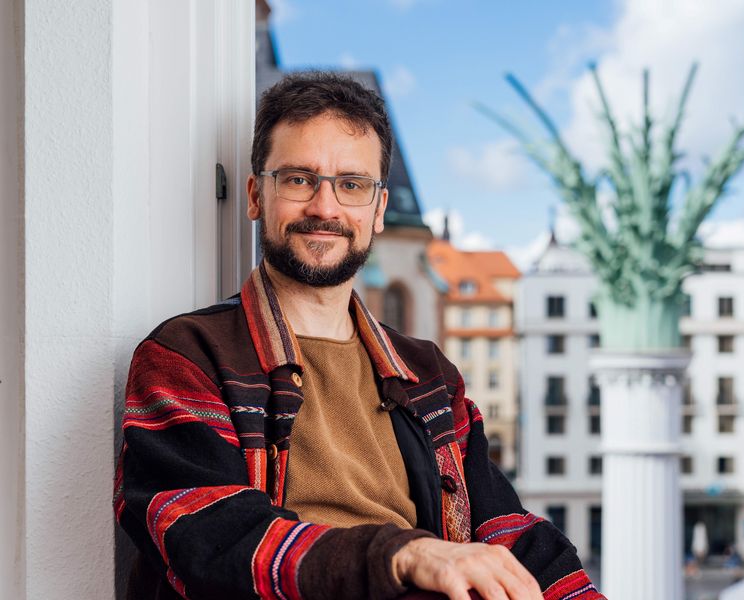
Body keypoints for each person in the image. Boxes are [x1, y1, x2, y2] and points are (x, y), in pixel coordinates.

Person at [114, 71, 601, 600]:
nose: (325, 207)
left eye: (352, 185)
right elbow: (210, 537)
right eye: (299, 179)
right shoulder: (189, 354)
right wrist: (405, 554)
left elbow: (509, 532)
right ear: (256, 195)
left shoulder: (429, 375)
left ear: (379, 211)